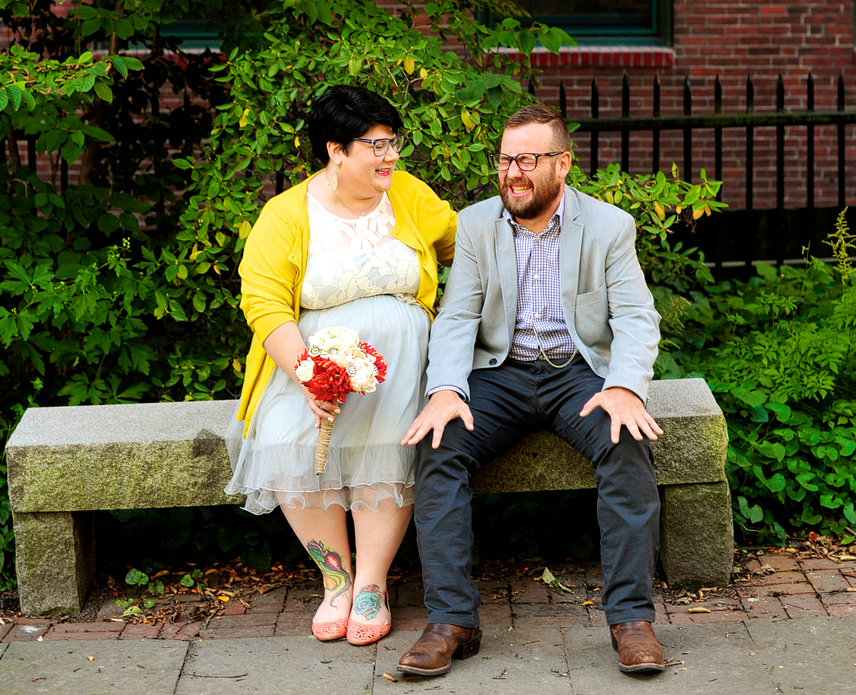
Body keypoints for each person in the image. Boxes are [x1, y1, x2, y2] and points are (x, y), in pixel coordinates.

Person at [399, 103, 664, 678]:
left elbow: (638, 318)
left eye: (526, 159)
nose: (512, 172)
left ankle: (631, 620)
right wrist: (445, 389)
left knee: (626, 444)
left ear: (562, 164)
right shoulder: (476, 225)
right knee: (439, 445)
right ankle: (451, 621)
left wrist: (623, 388)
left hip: (579, 374)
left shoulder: (609, 226)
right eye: (504, 159)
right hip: (500, 374)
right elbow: (456, 317)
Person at [225, 84, 456, 646]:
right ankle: (336, 580)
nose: (391, 156)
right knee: (290, 440)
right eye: (376, 145)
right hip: (310, 367)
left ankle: (372, 585)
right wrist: (309, 375)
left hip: (401, 371)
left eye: (393, 142)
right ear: (336, 151)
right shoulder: (286, 214)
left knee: (390, 451)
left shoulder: (409, 196)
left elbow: (464, 247)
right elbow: (263, 301)